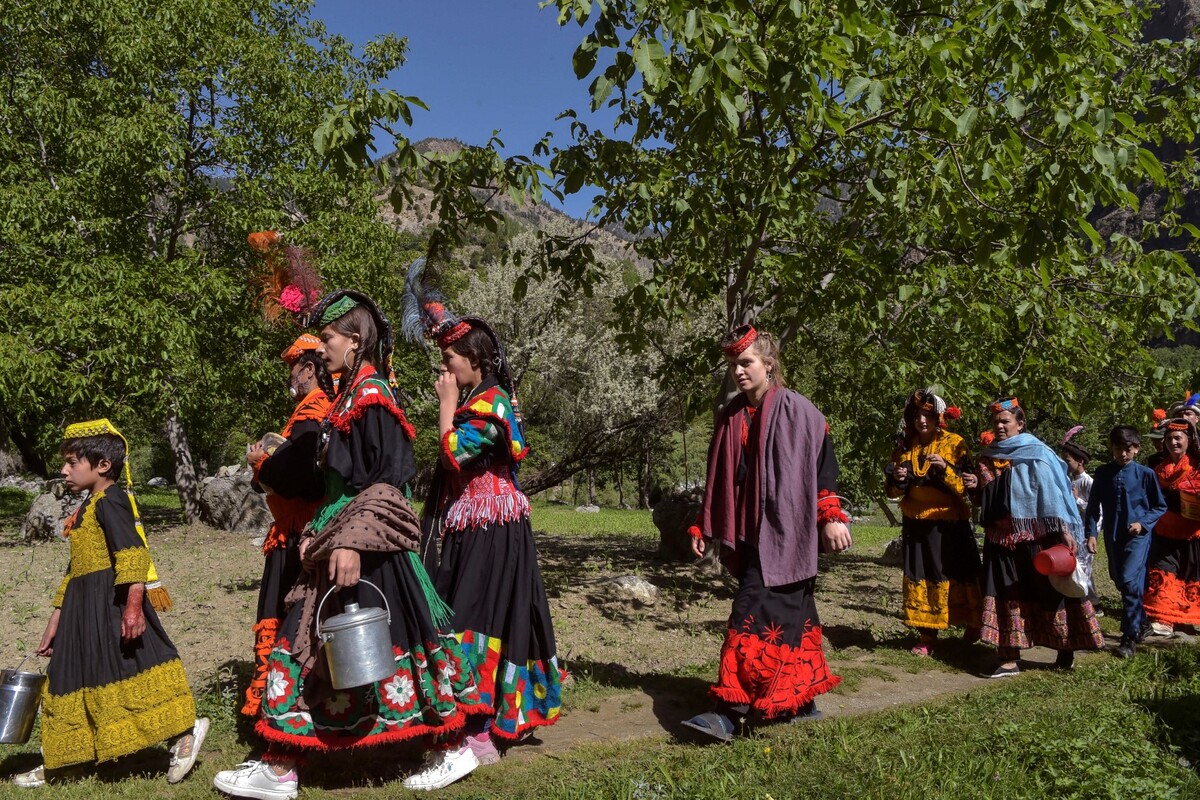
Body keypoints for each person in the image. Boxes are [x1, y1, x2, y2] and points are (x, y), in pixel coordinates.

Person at [213, 291, 487, 800]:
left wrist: (353, 543)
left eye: (328, 339)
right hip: (346, 539)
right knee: (364, 639)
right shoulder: (350, 397)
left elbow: (388, 479)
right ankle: (438, 746)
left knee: (311, 636)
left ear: (356, 341)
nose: (321, 350)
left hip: (366, 547)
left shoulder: (372, 397)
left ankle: (286, 767)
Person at [406, 275, 563, 762]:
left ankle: (482, 723)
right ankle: (469, 715)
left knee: (478, 615)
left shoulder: (490, 404)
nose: (444, 369)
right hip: (474, 525)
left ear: (474, 359)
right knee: (467, 611)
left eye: (449, 359)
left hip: (493, 528)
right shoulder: (482, 399)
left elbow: (453, 452)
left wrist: (445, 406)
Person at [14, 420, 207, 788]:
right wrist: (56, 619)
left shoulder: (112, 500)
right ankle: (65, 759)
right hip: (81, 607)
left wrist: (133, 607)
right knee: (73, 676)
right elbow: (75, 568)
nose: (64, 470)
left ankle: (184, 732)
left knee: (133, 665)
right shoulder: (89, 505)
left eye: (72, 463)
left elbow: (133, 553)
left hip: (110, 603)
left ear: (102, 465)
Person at [682, 324, 850, 740]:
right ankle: (801, 701)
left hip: (789, 536)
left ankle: (728, 712)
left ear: (769, 364)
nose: (738, 372)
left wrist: (830, 516)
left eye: (746, 363)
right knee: (792, 619)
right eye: (733, 365)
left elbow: (823, 467)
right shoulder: (731, 415)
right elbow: (719, 477)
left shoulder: (800, 411)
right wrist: (704, 523)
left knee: (748, 614)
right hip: (752, 538)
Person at [966, 397, 1103, 677]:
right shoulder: (987, 457)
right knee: (1005, 594)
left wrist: (1065, 532)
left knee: (1050, 592)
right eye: (996, 422)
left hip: (1038, 537)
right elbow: (982, 499)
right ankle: (1008, 658)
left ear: (1020, 424)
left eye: (1006, 421)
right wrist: (974, 487)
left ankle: (1065, 648)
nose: (1000, 426)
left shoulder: (1038, 454)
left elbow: (1055, 496)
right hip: (1001, 538)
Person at [240, 334, 334, 716]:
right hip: (296, 527)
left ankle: (284, 702)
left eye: (292, 369)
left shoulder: (312, 413)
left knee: (288, 616)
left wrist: (261, 464)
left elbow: (302, 478)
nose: (289, 377)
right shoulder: (312, 412)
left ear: (308, 369)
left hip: (298, 531)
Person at [884, 388, 981, 655]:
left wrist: (946, 469)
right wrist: (898, 480)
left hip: (949, 524)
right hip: (916, 525)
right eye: (917, 416)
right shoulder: (904, 448)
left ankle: (973, 623)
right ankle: (927, 634)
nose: (921, 421)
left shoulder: (954, 444)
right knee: (921, 576)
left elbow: (968, 489)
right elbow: (891, 491)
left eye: (927, 415)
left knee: (958, 573)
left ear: (938, 418)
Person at [1083, 425, 1167, 658]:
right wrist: (1091, 534)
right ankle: (1142, 621)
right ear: (1112, 448)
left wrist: (1143, 523)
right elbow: (1093, 507)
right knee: (1120, 580)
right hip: (1113, 536)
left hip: (1137, 538)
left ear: (1137, 449)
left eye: (1128, 449)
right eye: (1118, 449)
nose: (1123, 454)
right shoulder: (1103, 473)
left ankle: (1128, 637)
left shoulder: (1145, 474)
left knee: (1130, 582)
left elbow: (1159, 506)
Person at [1142, 419, 1200, 639]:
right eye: (1169, 439)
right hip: (1164, 530)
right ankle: (1163, 619)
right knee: (1164, 572)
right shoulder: (1158, 469)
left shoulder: (1197, 467)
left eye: (1178, 438)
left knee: (1187, 576)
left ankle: (1185, 619)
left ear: (1188, 440)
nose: (1173, 443)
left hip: (1191, 532)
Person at [1060, 426, 1102, 614]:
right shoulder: (1069, 480)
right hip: (1073, 531)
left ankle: (1092, 602)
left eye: (1068, 460)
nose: (1065, 463)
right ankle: (1079, 599)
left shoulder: (1088, 482)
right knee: (1075, 565)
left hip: (1086, 532)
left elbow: (1098, 511)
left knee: (1085, 567)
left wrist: (1076, 499)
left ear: (1080, 461)